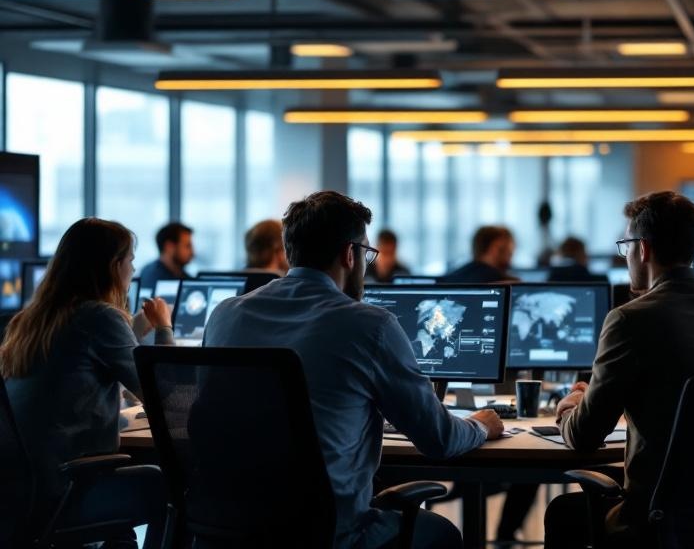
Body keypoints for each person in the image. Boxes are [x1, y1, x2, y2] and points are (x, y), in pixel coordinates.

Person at [203, 191, 504, 549]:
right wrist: (480, 425)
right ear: (350, 254)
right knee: (444, 534)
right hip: (327, 532)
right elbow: (439, 439)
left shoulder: (225, 315)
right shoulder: (370, 326)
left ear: (290, 251)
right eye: (366, 254)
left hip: (222, 528)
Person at [545, 191, 694, 548]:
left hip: (661, 517)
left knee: (563, 512)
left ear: (643, 249)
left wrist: (570, 406)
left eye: (626, 246)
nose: (626, 257)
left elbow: (584, 436)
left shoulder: (629, 319)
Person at [2, 218, 173, 542]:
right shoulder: (99, 316)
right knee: (166, 484)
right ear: (114, 266)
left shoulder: (30, 320)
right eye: (130, 260)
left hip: (20, 492)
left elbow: (81, 360)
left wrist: (136, 328)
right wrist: (164, 327)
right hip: (65, 488)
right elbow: (165, 393)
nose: (133, 269)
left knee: (124, 515)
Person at [441, 226, 516, 283]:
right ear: (494, 248)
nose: (512, 253)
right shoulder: (507, 284)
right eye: (508, 249)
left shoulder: (449, 279)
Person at [138, 221, 194, 290]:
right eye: (187, 246)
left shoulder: (182, 275)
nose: (192, 252)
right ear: (169, 247)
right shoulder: (152, 276)